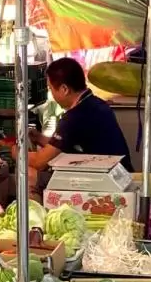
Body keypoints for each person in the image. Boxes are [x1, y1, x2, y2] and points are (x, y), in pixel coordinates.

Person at [27, 58, 132, 186]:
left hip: (106, 182)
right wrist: (39, 138)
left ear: (64, 89)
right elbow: (63, 144)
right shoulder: (96, 104)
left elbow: (39, 161)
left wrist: (16, 152)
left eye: (51, 89)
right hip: (122, 175)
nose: (51, 94)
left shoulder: (75, 117)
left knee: (28, 173)